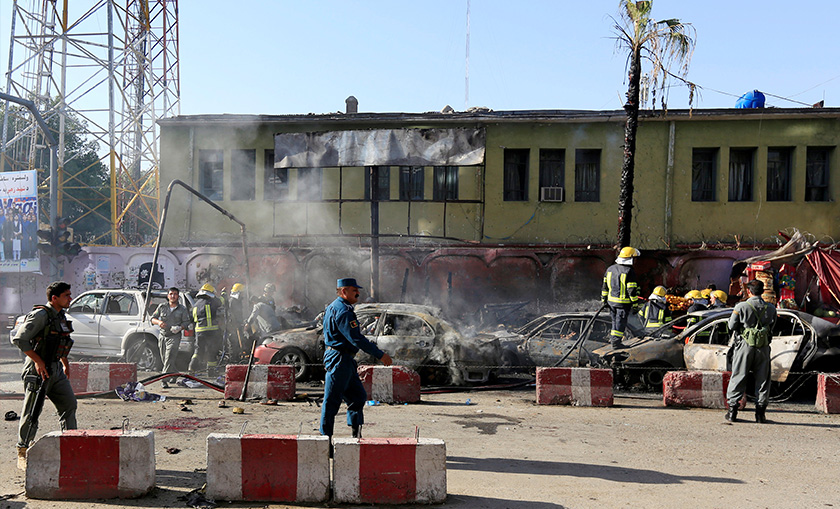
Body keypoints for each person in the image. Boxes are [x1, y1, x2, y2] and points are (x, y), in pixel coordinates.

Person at [12, 281, 77, 470]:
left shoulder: (61, 315)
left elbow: (62, 341)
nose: (70, 299)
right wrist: (38, 362)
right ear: (54, 298)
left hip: (56, 369)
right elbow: (20, 339)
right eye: (66, 295)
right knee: (32, 411)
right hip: (38, 370)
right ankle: (22, 450)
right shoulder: (40, 315)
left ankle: (70, 446)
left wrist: (65, 364)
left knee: (69, 404)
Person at [320, 278, 392, 439]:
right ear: (344, 291)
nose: (358, 293)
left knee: (357, 397)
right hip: (339, 358)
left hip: (345, 359)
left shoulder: (336, 307)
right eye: (354, 291)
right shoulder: (343, 311)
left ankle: (355, 437)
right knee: (331, 401)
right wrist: (380, 355)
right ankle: (325, 441)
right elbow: (356, 339)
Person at [725, 279, 776, 423]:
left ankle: (732, 412)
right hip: (763, 347)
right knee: (763, 379)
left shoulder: (741, 306)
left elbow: (731, 325)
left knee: (739, 376)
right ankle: (760, 415)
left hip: (744, 346)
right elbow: (773, 326)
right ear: (762, 291)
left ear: (749, 291)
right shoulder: (771, 308)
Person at [151, 287, 191, 388]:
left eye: (175, 294)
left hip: (174, 336)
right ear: (168, 296)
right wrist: (159, 322)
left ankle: (163, 380)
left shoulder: (182, 309)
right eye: (171, 294)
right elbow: (152, 319)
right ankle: (175, 373)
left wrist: (179, 327)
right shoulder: (162, 307)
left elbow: (187, 322)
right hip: (163, 335)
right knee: (165, 359)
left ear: (178, 296)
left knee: (169, 357)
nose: (173, 296)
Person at [601, 246, 641, 348]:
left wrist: (603, 300)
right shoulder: (629, 271)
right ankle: (616, 344)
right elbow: (631, 291)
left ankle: (614, 341)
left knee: (615, 323)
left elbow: (605, 287)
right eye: (635, 258)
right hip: (622, 304)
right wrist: (636, 305)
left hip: (611, 303)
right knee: (620, 324)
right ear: (630, 258)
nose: (636, 261)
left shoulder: (610, 269)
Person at [188, 283, 225, 376]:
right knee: (212, 351)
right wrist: (223, 294)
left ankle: (191, 368)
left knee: (198, 351)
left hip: (199, 332)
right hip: (211, 331)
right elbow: (222, 301)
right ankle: (211, 372)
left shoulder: (195, 304)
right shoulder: (212, 301)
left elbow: (191, 319)